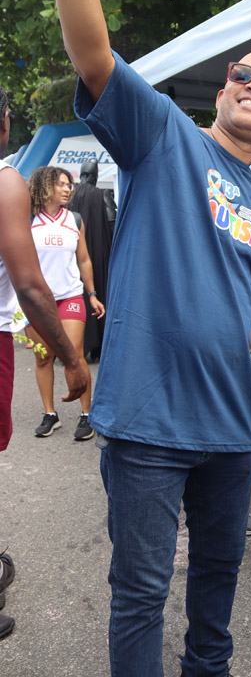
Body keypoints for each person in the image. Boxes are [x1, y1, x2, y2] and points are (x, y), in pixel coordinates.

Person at [41, 0, 251, 676]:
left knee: (218, 581)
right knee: (142, 588)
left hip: (227, 430)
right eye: (240, 75)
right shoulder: (165, 139)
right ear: (220, 90)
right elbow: (93, 52)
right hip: (148, 421)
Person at [0, 85, 86, 639]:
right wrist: (73, 359)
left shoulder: (71, 217)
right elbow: (30, 285)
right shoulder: (6, 182)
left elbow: (75, 260)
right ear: (5, 122)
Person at [26, 166, 105, 441]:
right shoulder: (27, 220)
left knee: (75, 353)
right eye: (60, 184)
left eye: (68, 184)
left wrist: (92, 294)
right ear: (44, 187)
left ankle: (87, 415)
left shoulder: (75, 219)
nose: (67, 189)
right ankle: (50, 414)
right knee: (43, 357)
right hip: (37, 302)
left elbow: (83, 259)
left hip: (71, 296)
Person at [69, 158, 115, 361]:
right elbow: (113, 223)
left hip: (72, 255)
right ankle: (98, 345)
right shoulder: (103, 195)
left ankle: (74, 343)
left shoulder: (70, 196)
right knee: (99, 296)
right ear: (95, 176)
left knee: (73, 297)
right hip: (99, 255)